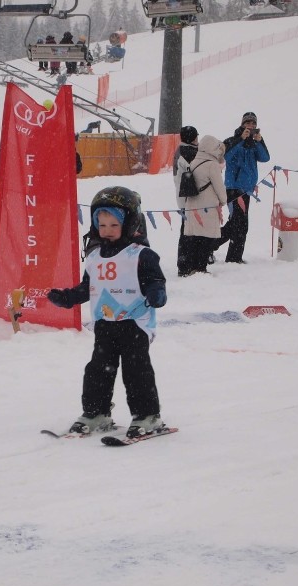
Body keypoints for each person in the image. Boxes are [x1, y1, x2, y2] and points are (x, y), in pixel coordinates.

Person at [46, 186, 167, 438]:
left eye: (114, 225)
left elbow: (156, 281)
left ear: (130, 223)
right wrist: (68, 298)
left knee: (136, 371)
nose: (107, 231)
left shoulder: (141, 255)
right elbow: (88, 287)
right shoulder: (94, 257)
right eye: (102, 225)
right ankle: (96, 412)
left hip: (134, 323)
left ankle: (147, 415)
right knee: (98, 369)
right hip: (105, 323)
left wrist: (156, 292)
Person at [218, 111, 270, 264]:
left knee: (239, 224)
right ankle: (214, 248)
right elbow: (225, 156)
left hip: (247, 189)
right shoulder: (232, 140)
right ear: (242, 124)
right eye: (248, 123)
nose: (251, 126)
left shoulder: (254, 144)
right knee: (238, 224)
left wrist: (260, 141)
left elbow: (265, 158)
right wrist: (241, 139)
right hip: (233, 188)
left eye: (253, 123)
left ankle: (232, 256)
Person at [174, 135, 227, 277]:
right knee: (207, 239)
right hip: (208, 207)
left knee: (195, 238)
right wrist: (223, 200)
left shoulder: (193, 162)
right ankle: (201, 267)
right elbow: (219, 187)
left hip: (192, 206)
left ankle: (192, 267)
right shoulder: (212, 165)